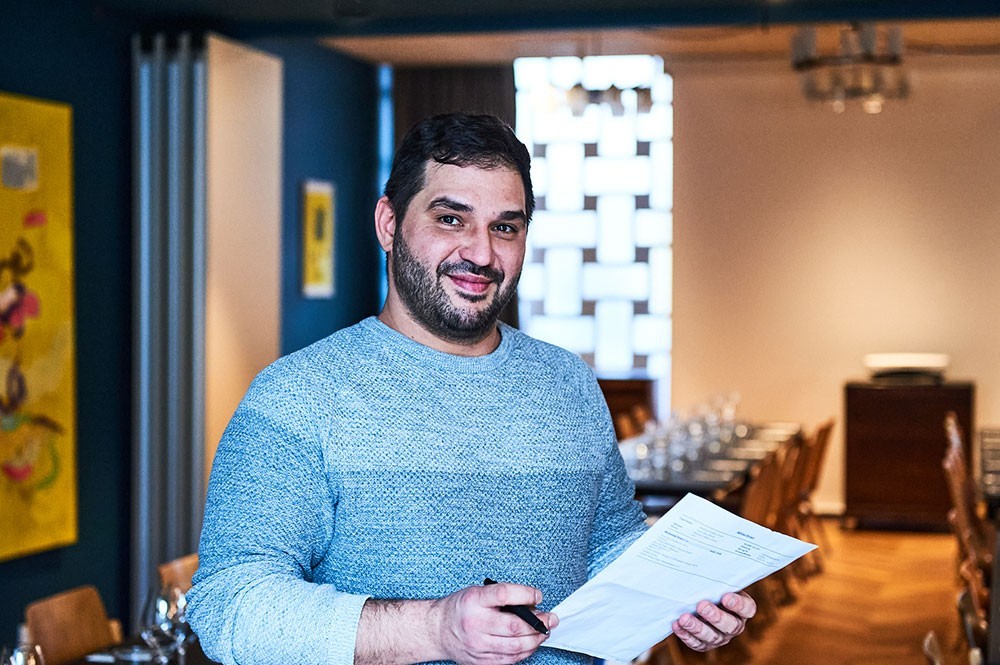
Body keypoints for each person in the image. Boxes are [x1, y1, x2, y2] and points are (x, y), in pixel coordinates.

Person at [187, 112, 755, 665]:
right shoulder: (297, 396)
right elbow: (230, 606)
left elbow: (608, 542)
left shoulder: (569, 384)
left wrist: (686, 597)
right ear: (388, 224)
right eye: (450, 219)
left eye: (505, 227)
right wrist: (435, 629)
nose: (481, 254)